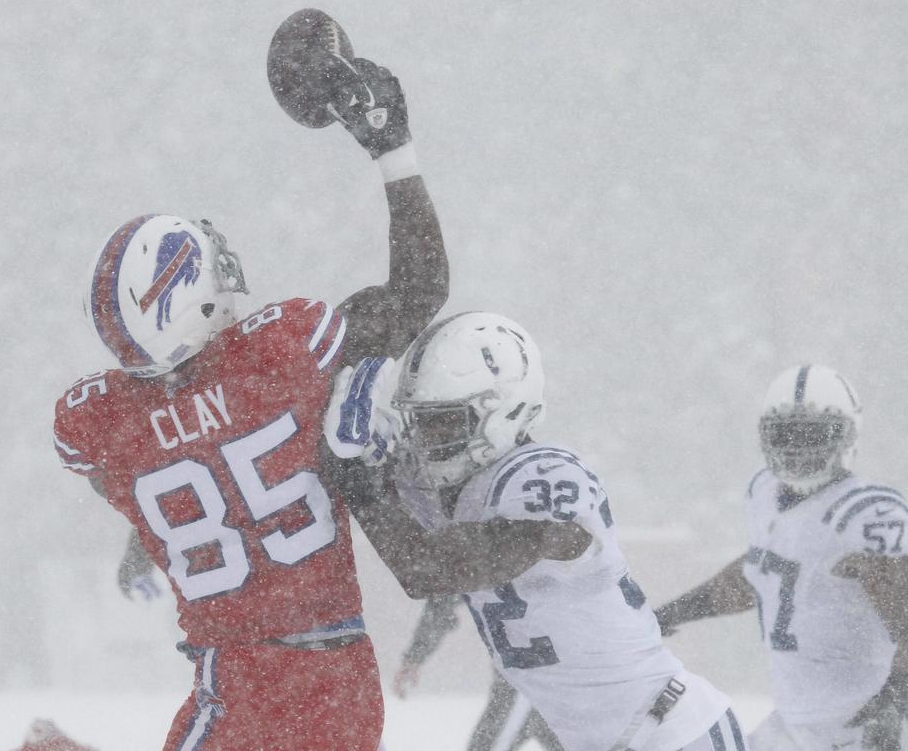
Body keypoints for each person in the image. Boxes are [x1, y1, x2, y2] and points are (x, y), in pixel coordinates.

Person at [52, 57, 448, 751]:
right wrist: (393, 149)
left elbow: (172, 461)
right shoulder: (284, 355)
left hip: (242, 685)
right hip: (343, 680)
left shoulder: (98, 426)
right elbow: (421, 286)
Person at [325, 312, 746, 751]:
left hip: (672, 734)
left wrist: (358, 477)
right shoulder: (450, 489)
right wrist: (367, 459)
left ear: (505, 407)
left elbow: (428, 568)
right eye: (421, 422)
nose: (427, 440)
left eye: (444, 422)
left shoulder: (545, 477)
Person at [654, 365, 908, 751]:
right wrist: (674, 612)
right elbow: (760, 571)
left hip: (862, 728)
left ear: (847, 434)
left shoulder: (865, 515)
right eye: (786, 433)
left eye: (813, 433)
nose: (797, 447)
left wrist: (895, 702)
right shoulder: (765, 494)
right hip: (792, 725)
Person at [393, 594, 563, 751]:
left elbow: (443, 599)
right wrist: (415, 656)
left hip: (537, 683)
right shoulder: (486, 568)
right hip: (535, 684)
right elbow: (442, 599)